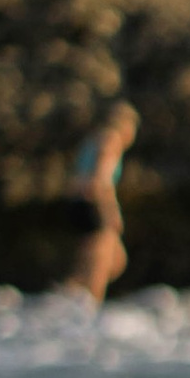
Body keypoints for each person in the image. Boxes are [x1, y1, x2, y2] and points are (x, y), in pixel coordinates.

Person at [61, 104, 136, 304]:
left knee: (95, 259)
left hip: (77, 201)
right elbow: (100, 179)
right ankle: (93, 305)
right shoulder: (111, 140)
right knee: (101, 261)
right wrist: (111, 212)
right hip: (93, 202)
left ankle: (67, 297)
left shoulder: (92, 139)